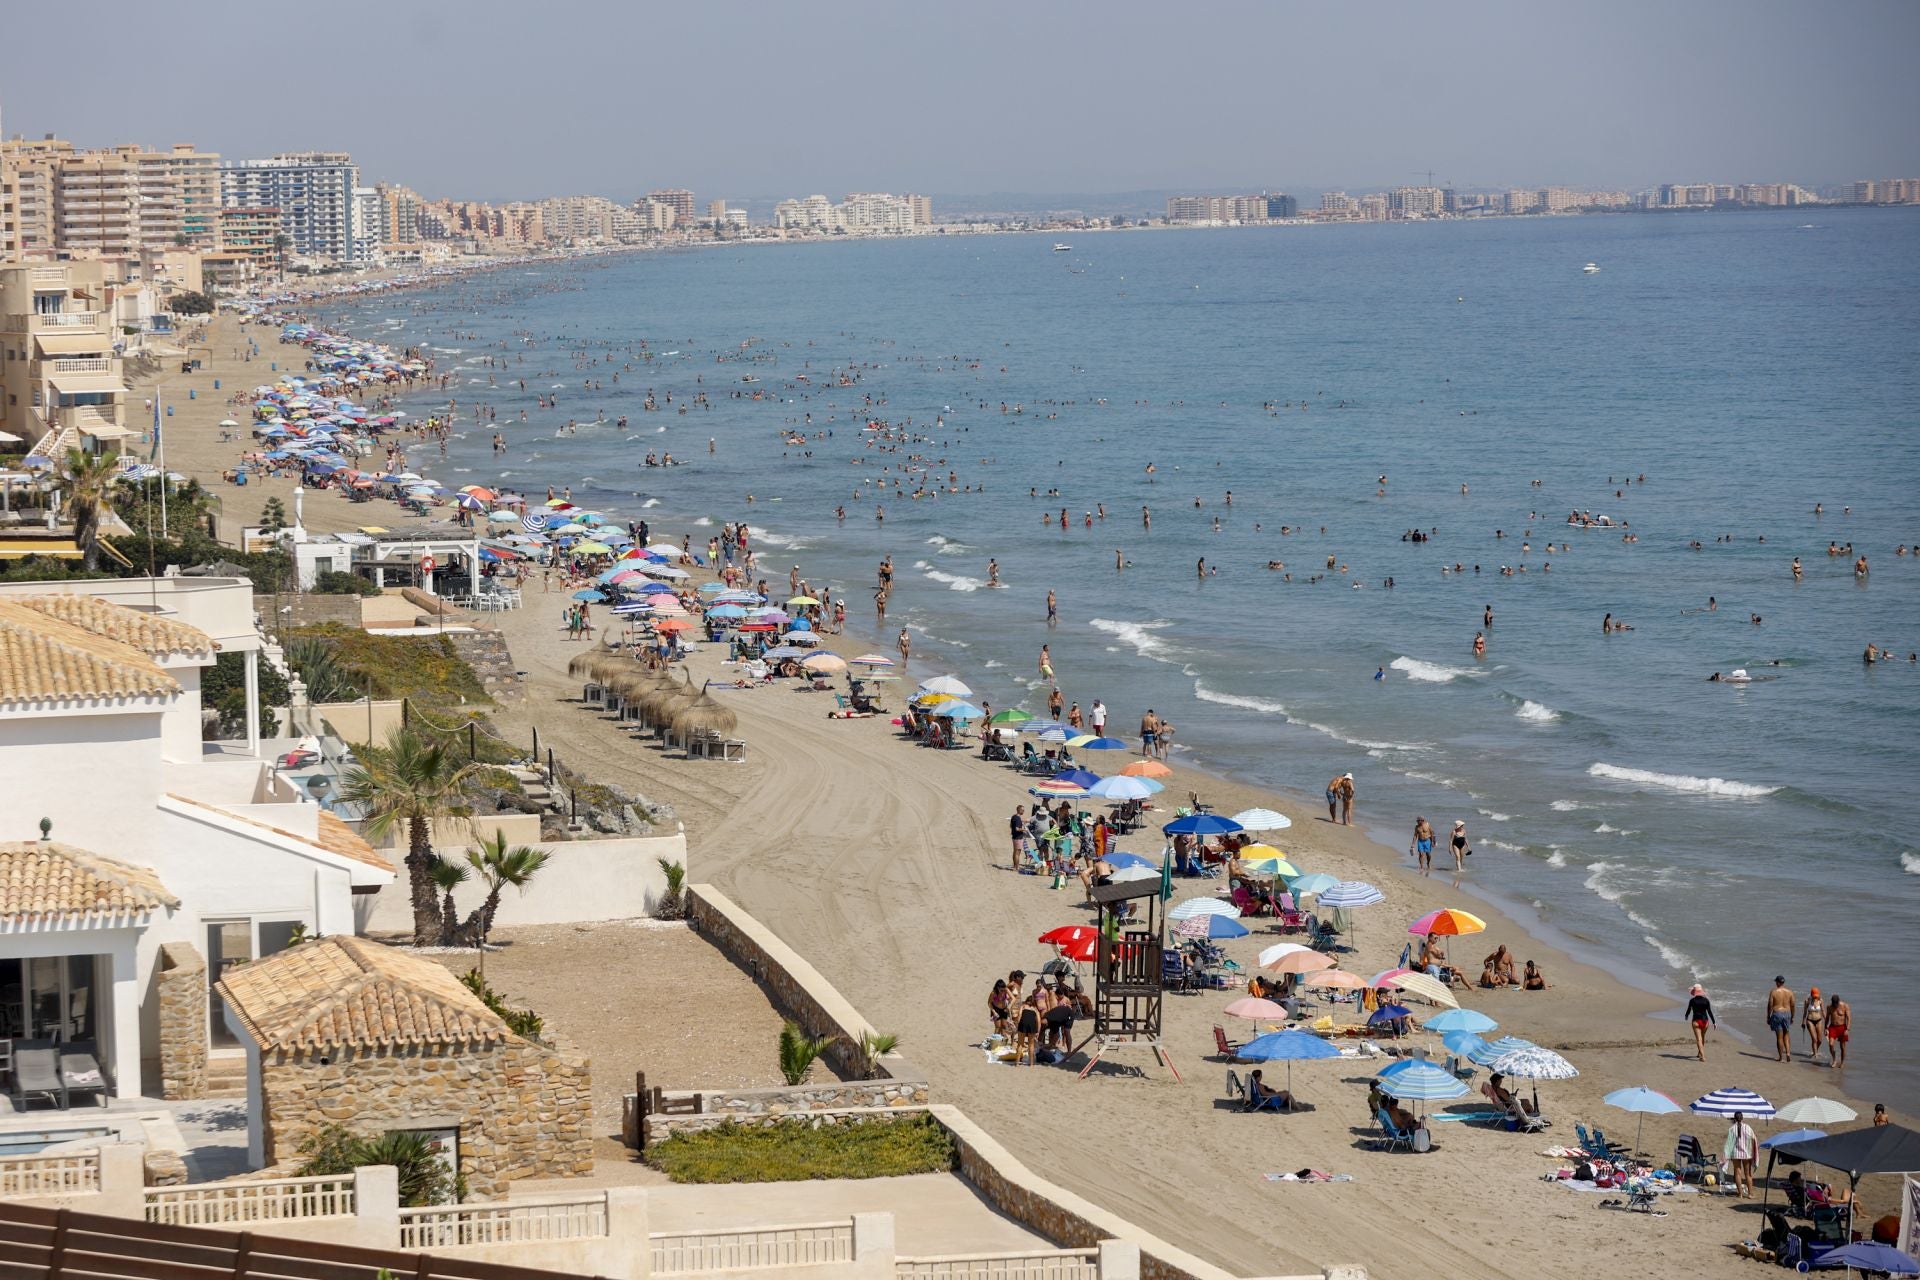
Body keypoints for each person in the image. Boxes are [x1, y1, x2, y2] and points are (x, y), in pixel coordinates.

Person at [1725, 1111, 1758, 1199]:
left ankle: (1740, 1194)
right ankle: (1750, 1194)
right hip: (1746, 1154)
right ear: (1742, 1118)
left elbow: (1729, 1143)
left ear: (1734, 1118)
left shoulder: (1731, 1129)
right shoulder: (1748, 1127)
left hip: (1735, 1154)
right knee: (1748, 1174)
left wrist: (1727, 1155)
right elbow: (1754, 1139)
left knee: (1737, 1173)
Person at [1767, 976, 1796, 1063]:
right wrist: (1792, 1016)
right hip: (1787, 1013)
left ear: (1777, 982)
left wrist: (1768, 1016)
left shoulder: (1774, 992)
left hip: (1777, 1013)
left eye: (1776, 982)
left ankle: (1780, 1057)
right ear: (1783, 982)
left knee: (1779, 1037)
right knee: (1786, 1034)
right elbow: (1793, 1005)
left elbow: (1770, 1005)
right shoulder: (1790, 992)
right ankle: (1788, 1053)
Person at [1686, 983, 1716, 1060]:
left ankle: (1703, 1056)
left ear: (1694, 992)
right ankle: (1699, 1053)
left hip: (1696, 1021)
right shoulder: (1706, 1000)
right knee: (1702, 1038)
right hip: (1705, 1022)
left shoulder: (1692, 1001)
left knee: (1699, 1039)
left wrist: (1686, 1015)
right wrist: (1714, 1022)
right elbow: (1709, 1012)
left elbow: (1689, 1010)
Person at [1826, 993, 1851, 1068]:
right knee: (1830, 1044)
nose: (1835, 1005)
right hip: (1833, 1027)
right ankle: (1834, 1059)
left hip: (1842, 1028)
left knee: (1842, 1047)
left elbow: (1849, 1018)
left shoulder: (1845, 1006)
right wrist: (1825, 1028)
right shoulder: (1829, 1007)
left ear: (1838, 1001)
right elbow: (1827, 1018)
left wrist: (1848, 1029)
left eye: (1836, 1003)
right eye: (1833, 1003)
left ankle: (1842, 1063)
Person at [1803, 986, 1826, 1058]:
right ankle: (1815, 1054)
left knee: (1820, 1040)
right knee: (1814, 1039)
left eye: (1816, 996)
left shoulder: (1821, 1000)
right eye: (1814, 996)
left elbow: (1823, 1011)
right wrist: (1803, 1022)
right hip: (1810, 1020)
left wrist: (1827, 1020)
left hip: (1819, 1020)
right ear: (1811, 994)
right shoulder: (1807, 1001)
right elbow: (1805, 1012)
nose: (1815, 997)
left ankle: (1814, 1051)